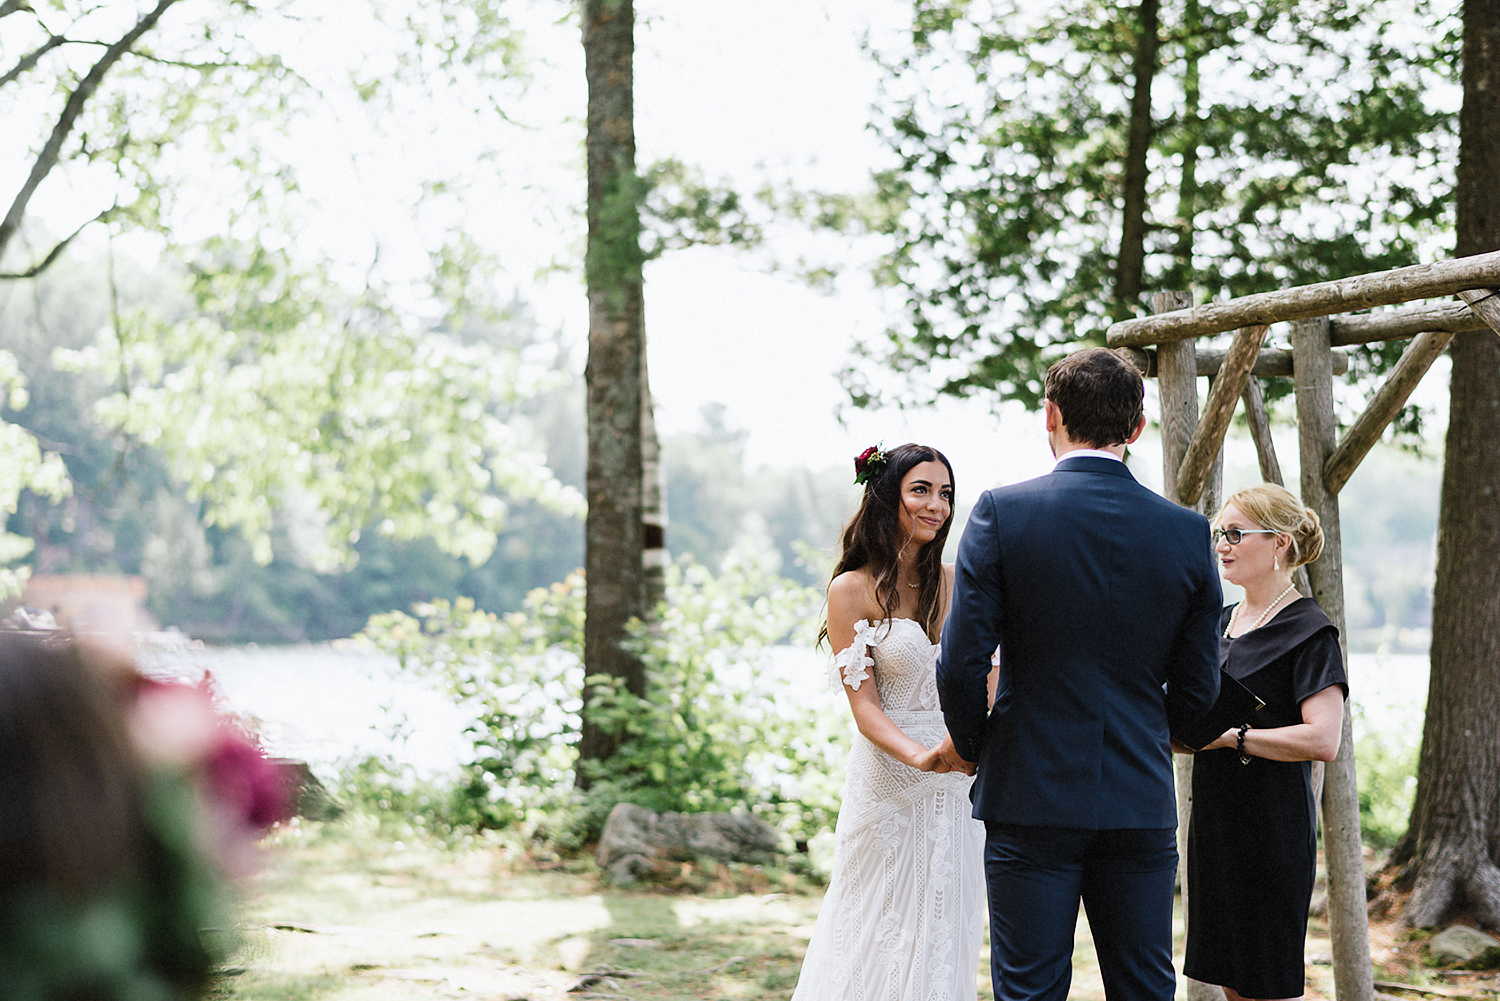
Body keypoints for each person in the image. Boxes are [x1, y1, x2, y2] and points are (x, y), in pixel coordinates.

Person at [936, 346, 1223, 1001]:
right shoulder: (1187, 531)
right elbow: (1201, 684)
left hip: (1028, 790)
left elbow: (961, 661)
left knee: (1029, 989)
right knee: (1145, 987)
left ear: (1051, 415)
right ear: (1139, 426)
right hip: (1139, 793)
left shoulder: (1001, 512)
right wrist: (1162, 732)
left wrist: (980, 746)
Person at [791, 442, 993, 1001]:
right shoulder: (851, 589)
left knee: (944, 924)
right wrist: (921, 756)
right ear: (888, 497)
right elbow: (865, 709)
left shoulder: (958, 583)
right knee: (874, 926)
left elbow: (991, 678)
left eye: (946, 493)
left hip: (959, 777)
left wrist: (973, 743)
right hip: (890, 779)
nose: (937, 505)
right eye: (921, 490)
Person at [1178, 484, 1347, 1001]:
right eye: (1218, 534)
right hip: (1216, 824)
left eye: (1235, 533)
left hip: (1271, 831)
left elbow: (1324, 738)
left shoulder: (1310, 630)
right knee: (1232, 980)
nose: (1222, 545)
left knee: (1265, 984)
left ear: (1279, 544)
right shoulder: (1218, 622)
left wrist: (1235, 738)